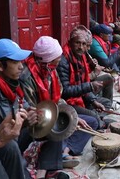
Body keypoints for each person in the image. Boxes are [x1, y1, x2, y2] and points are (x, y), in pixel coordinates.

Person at [0, 39, 67, 179]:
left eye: (21, 61)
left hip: (16, 135)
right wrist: (22, 123)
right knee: (10, 146)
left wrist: (34, 114)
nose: (21, 67)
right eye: (16, 62)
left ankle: (45, 171)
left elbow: (25, 108)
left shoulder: (11, 84)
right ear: (0, 65)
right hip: (2, 146)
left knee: (52, 122)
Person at [19, 36, 98, 171]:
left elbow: (58, 97)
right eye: (55, 63)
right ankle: (54, 157)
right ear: (45, 61)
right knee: (59, 129)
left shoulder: (50, 70)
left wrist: (72, 117)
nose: (56, 66)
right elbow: (32, 110)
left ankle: (65, 150)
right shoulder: (26, 77)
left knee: (90, 122)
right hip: (38, 122)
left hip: (52, 113)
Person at [57, 25, 112, 129]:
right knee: (94, 117)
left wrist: (93, 101)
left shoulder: (81, 56)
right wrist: (89, 86)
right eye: (77, 43)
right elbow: (65, 92)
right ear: (70, 42)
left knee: (106, 103)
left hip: (80, 95)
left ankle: (96, 118)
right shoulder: (63, 60)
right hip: (68, 101)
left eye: (84, 44)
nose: (81, 47)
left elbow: (82, 82)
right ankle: (98, 122)